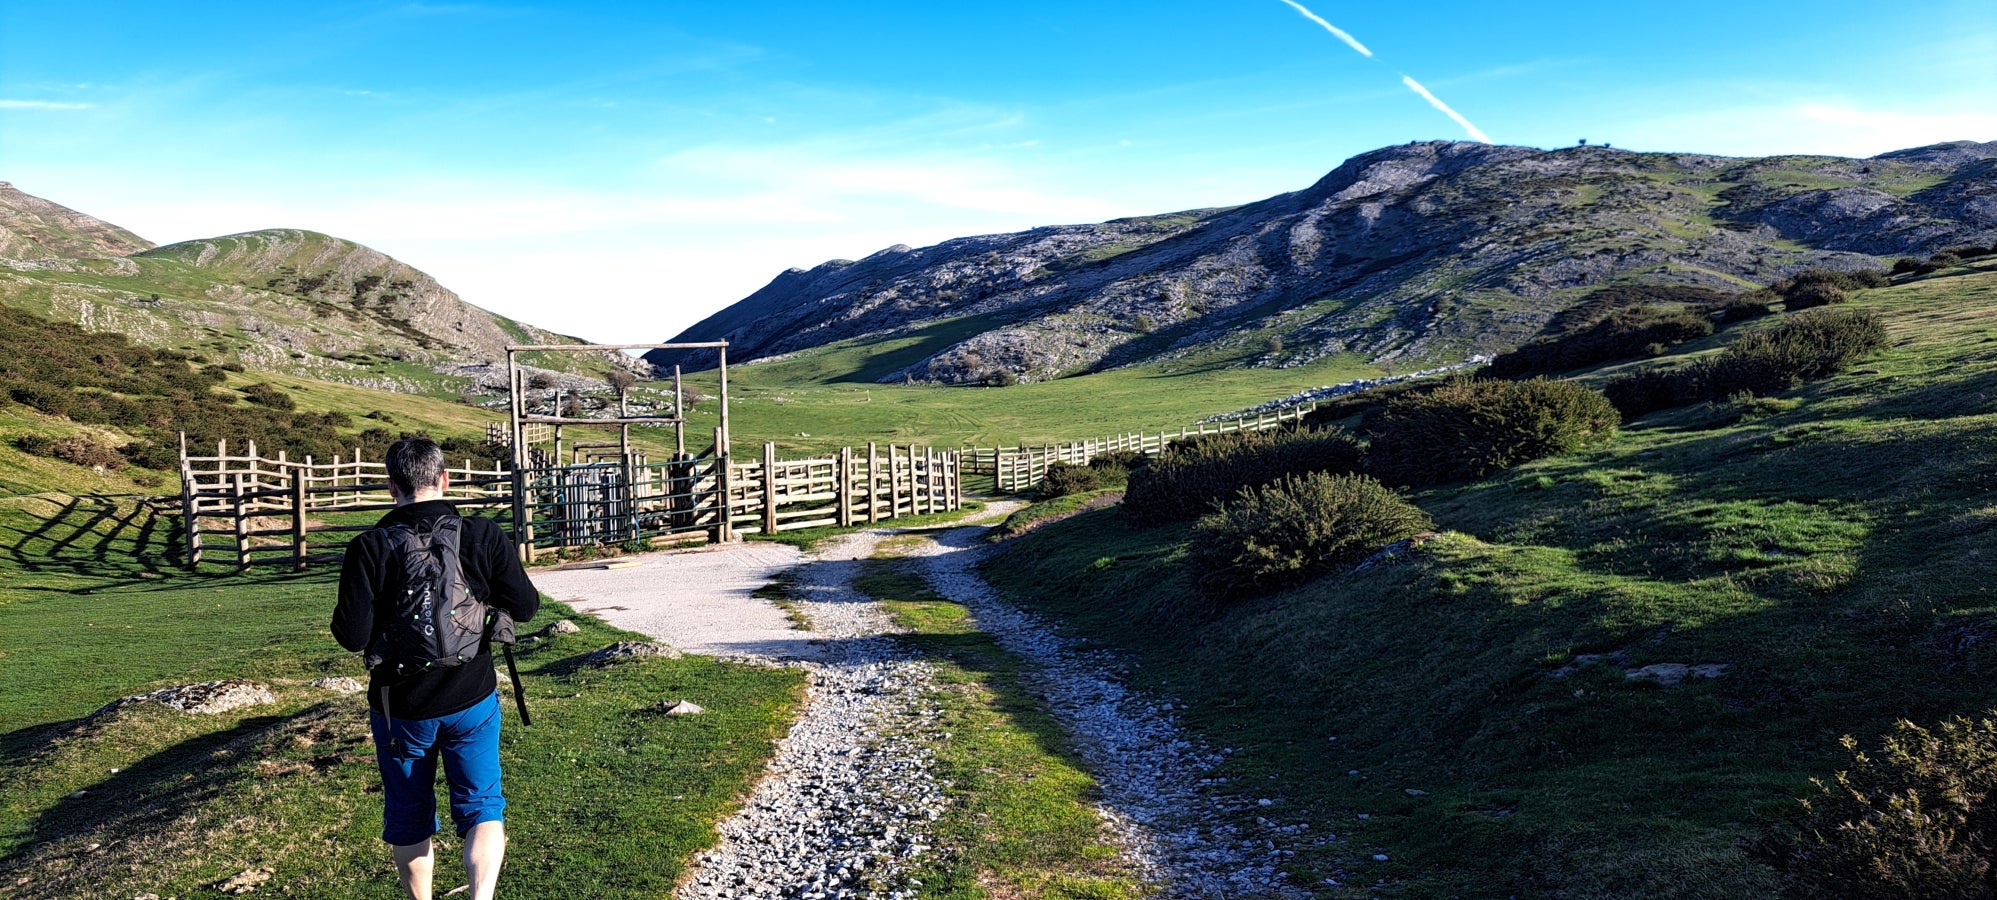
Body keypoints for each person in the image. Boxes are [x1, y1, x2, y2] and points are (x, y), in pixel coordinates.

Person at [332, 437, 538, 900]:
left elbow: (351, 636)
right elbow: (525, 607)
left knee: (409, 814)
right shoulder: (483, 534)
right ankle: (480, 897)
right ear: (445, 480)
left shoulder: (369, 546)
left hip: (399, 707)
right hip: (473, 696)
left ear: (392, 488)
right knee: (483, 806)